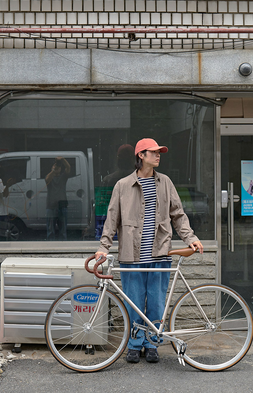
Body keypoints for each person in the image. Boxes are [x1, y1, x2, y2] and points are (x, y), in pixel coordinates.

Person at [95, 138, 203, 364]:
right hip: (131, 256)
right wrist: (104, 247)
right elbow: (112, 219)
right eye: (153, 152)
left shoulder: (165, 183)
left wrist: (190, 238)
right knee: (133, 302)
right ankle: (134, 345)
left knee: (155, 302)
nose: (158, 155)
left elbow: (178, 215)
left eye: (159, 152)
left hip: (159, 253)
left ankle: (152, 343)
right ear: (140, 156)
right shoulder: (123, 186)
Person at [45, 157, 71, 240]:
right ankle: (50, 248)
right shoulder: (50, 177)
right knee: (50, 230)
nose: (57, 168)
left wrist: (62, 160)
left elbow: (68, 168)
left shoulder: (63, 177)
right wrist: (53, 171)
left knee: (63, 231)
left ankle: (64, 248)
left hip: (62, 205)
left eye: (59, 167)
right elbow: (47, 179)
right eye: (55, 167)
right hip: (51, 206)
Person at [0, 162, 14, 240]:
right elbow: (2, 194)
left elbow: (6, 194)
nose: (0, 171)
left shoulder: (0, 180)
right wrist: (7, 185)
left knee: (4, 234)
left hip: (3, 211)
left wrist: (7, 186)